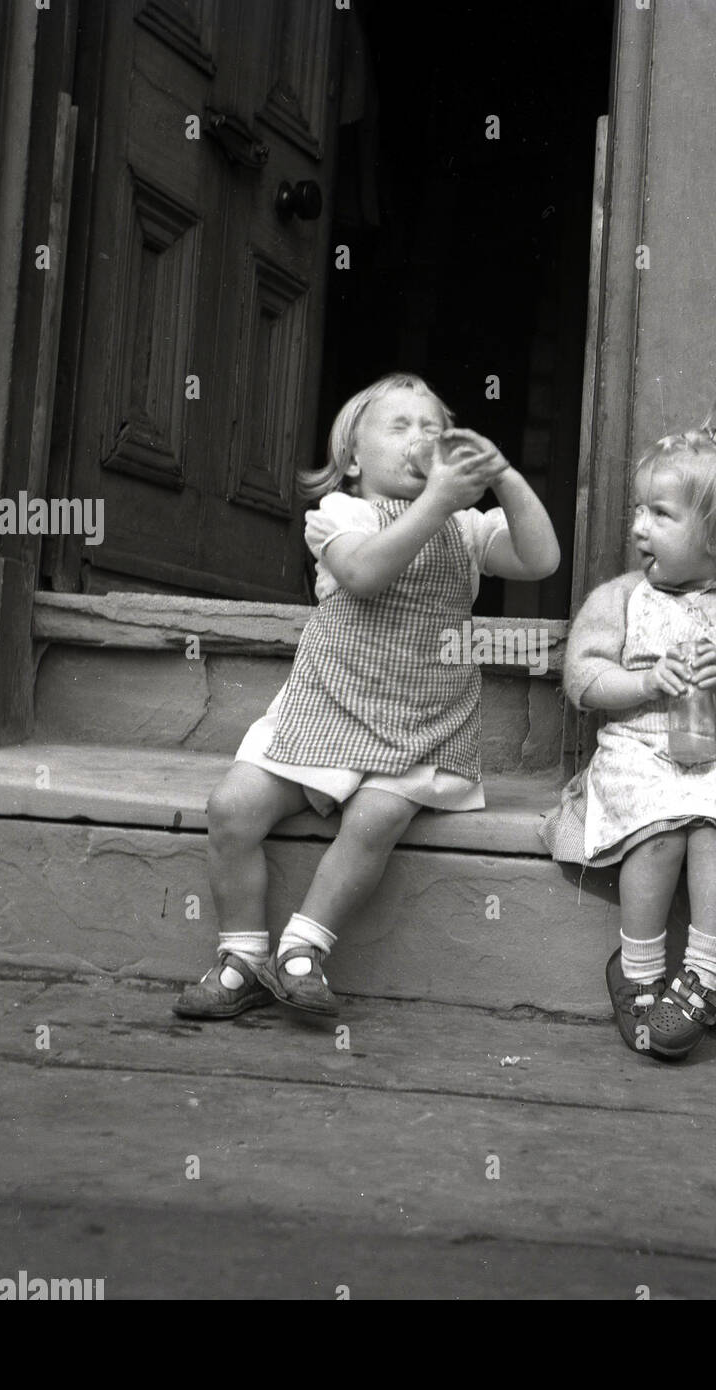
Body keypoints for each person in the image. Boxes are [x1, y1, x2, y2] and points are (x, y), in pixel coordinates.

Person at [176, 372, 560, 1020]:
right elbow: (364, 573)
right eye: (400, 426)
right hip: (329, 705)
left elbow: (541, 557)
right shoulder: (339, 517)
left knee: (376, 819)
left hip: (422, 720)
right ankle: (240, 956)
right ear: (353, 460)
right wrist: (436, 502)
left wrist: (503, 478)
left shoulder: (466, 529)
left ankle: (302, 951)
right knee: (233, 806)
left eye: (434, 428)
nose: (421, 438)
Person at [541, 424, 716, 1060]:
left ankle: (703, 974)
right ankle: (638, 970)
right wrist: (643, 682)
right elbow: (583, 678)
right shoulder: (621, 599)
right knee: (660, 825)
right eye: (639, 510)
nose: (638, 526)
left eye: (659, 514)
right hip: (640, 752)